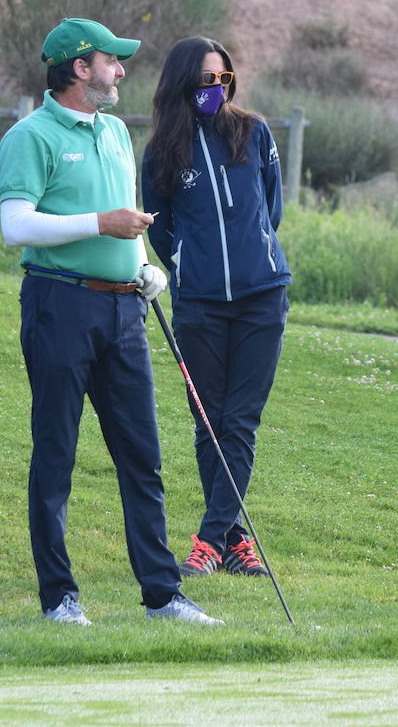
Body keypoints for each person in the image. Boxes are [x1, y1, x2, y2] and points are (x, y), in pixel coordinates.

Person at [0, 17, 220, 626]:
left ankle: (162, 594)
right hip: (59, 303)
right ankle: (60, 599)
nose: (120, 71)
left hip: (125, 307)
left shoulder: (117, 132)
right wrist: (102, 224)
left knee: (141, 455)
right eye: (110, 61)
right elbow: (16, 226)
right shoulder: (31, 136)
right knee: (57, 453)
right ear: (78, 68)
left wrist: (146, 266)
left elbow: (129, 224)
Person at [140, 37, 291, 579]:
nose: (217, 88)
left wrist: (251, 252)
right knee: (210, 423)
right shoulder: (162, 153)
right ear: (183, 82)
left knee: (241, 422)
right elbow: (160, 225)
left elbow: (270, 206)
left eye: (224, 78)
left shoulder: (254, 131)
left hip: (261, 299)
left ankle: (210, 540)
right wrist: (189, 261)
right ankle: (233, 539)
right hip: (199, 305)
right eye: (207, 79)